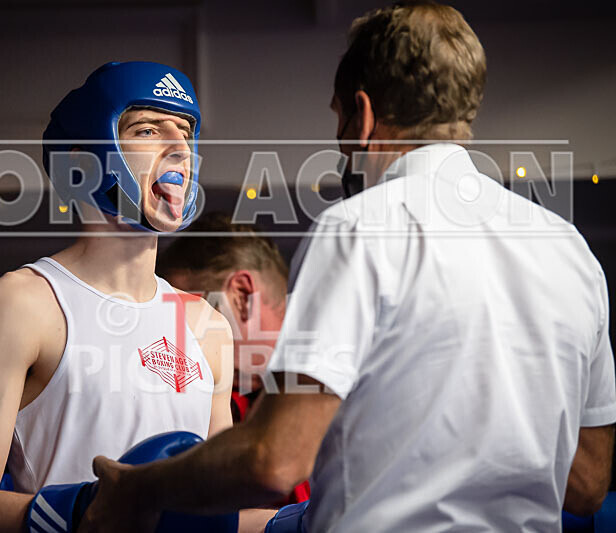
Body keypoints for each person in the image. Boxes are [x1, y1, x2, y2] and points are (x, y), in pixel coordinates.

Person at [84, 3, 616, 532]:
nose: (339, 141)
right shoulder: (569, 250)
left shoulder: (359, 228)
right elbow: (589, 483)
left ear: (362, 115)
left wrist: (139, 488)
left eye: (338, 117)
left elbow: (276, 460)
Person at [0, 61, 242, 532]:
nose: (178, 148)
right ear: (84, 163)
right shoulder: (22, 306)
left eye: (184, 132)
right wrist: (91, 509)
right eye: (147, 130)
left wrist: (302, 521)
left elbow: (222, 512)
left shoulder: (208, 327)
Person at [158, 213, 309, 504]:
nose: (184, 343)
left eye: (195, 321)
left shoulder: (356, 384)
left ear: (241, 296)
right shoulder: (214, 403)